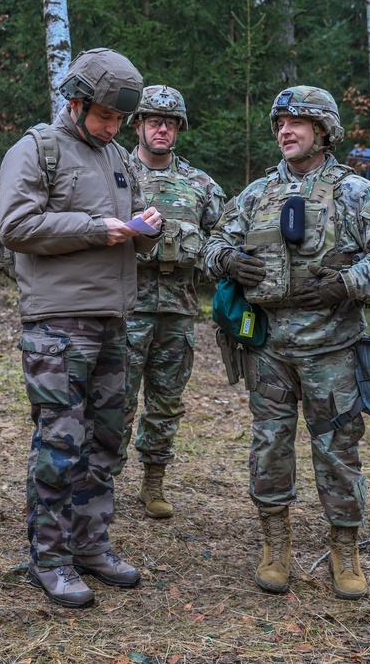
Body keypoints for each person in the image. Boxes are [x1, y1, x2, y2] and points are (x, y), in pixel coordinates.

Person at [203, 86, 370, 599]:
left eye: (297, 123)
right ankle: (275, 546)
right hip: (269, 349)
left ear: (323, 131)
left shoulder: (355, 194)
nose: (285, 132)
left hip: (332, 351)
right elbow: (212, 244)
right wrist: (228, 261)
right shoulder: (255, 195)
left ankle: (345, 552)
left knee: (338, 452)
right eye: (280, 123)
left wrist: (347, 282)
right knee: (269, 446)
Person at [0, 48, 163, 608]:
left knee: (105, 440)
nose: (114, 128)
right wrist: (97, 228)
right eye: (106, 117)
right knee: (60, 442)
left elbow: (130, 219)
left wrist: (146, 229)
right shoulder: (37, 148)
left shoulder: (117, 155)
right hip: (58, 322)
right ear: (76, 103)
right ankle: (51, 557)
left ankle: (92, 544)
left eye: (121, 119)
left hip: (112, 318)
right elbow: (15, 224)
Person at [119, 85, 226, 518]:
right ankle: (100, 482)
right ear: (139, 125)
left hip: (179, 311)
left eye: (170, 123)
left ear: (179, 128)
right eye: (153, 121)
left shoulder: (201, 184)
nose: (162, 129)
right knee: (114, 400)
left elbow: (225, 241)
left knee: (165, 402)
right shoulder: (115, 172)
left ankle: (153, 483)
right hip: (124, 307)